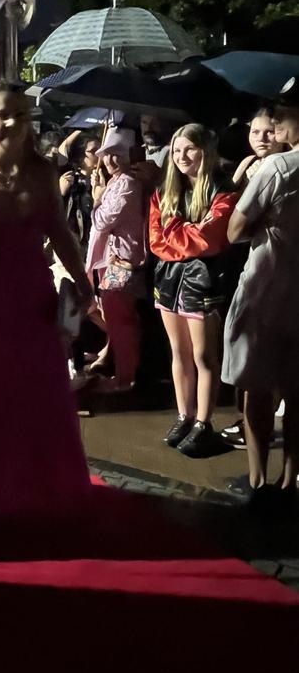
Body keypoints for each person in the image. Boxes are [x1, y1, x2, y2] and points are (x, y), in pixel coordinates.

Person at [0, 80, 93, 537]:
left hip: (34, 295)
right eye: (2, 114)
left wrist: (83, 281)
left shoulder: (44, 172)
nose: (11, 122)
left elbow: (60, 231)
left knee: (45, 388)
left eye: (19, 113)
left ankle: (49, 487)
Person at [222, 77, 299, 507]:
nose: (276, 127)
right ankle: (292, 481)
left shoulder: (277, 169)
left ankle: (257, 481)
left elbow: (235, 228)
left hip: (267, 287)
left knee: (257, 388)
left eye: (283, 117)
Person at [149, 124, 238, 457]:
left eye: (189, 149)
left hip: (204, 280)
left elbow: (211, 238)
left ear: (205, 150)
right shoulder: (165, 190)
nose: (181, 156)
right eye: (176, 150)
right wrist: (186, 233)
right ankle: (184, 415)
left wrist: (179, 233)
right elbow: (157, 241)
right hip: (169, 279)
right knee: (178, 353)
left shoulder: (221, 188)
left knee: (203, 355)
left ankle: (203, 422)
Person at [219, 107, 286, 449]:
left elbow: (239, 225)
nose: (262, 138)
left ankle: (260, 436)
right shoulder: (246, 167)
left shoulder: (280, 168)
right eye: (255, 131)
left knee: (264, 359)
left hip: (273, 272)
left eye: (268, 131)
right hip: (247, 263)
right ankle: (246, 421)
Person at [86, 127, 146, 393]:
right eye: (107, 154)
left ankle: (125, 378)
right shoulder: (117, 182)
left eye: (117, 154)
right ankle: (120, 369)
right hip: (113, 260)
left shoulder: (128, 185)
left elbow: (102, 221)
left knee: (120, 319)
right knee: (112, 314)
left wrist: (96, 199)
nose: (110, 160)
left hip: (124, 261)